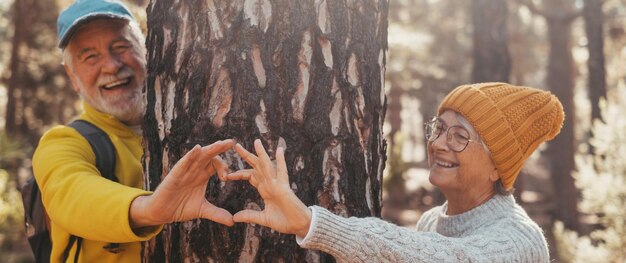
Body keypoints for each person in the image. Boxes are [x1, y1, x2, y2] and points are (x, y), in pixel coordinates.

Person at [227, 82, 563, 262]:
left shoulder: (521, 241)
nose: (439, 144)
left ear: (496, 168)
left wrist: (310, 222)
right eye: (439, 128)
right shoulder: (431, 221)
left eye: (459, 136)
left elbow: (445, 259)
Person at [33, 0, 234, 262]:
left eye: (121, 47)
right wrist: (149, 209)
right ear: (73, 77)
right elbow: (69, 192)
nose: (112, 65)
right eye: (90, 57)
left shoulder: (190, 120)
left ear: (147, 50)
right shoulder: (64, 142)